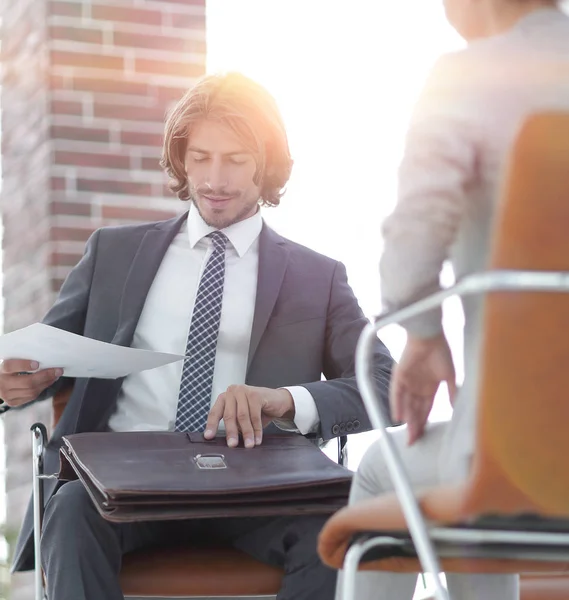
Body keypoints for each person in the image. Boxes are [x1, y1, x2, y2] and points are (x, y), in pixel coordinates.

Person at [1, 72, 394, 600]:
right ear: (182, 159)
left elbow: (386, 384)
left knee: (339, 523)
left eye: (236, 160)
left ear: (267, 163)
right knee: (70, 509)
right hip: (124, 486)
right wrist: (14, 381)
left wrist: (285, 400)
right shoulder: (113, 254)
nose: (216, 178)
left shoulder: (316, 277)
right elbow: (43, 358)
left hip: (258, 495)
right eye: (202, 157)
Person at [338, 1, 569, 599]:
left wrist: (422, 334)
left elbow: (412, 248)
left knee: (381, 472)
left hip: (528, 463)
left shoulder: (468, 78)